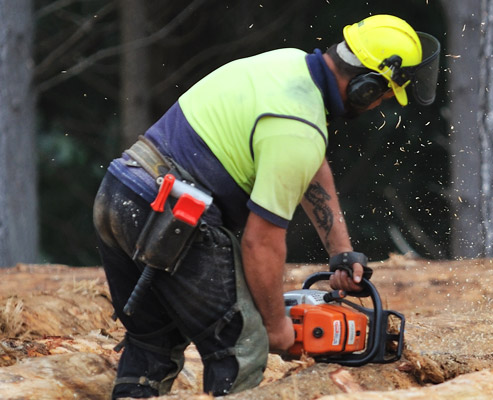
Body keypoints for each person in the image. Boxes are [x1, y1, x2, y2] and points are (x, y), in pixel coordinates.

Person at [92, 14, 440, 398]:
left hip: (120, 192)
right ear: (364, 86)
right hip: (170, 214)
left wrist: (341, 251)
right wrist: (275, 327)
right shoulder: (298, 127)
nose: (378, 105)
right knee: (243, 347)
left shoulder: (288, 65)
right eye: (384, 95)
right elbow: (260, 243)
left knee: (152, 343)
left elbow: (311, 164)